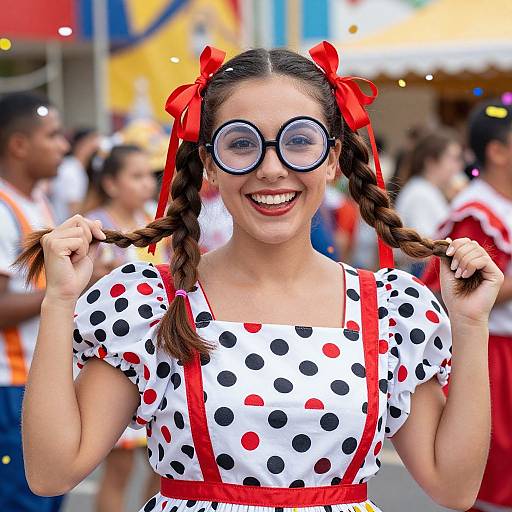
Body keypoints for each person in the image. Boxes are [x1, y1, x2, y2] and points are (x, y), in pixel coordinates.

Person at [19, 43, 503, 512]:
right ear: (209, 162)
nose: (271, 169)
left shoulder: (393, 310)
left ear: (332, 156)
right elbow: (51, 472)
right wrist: (59, 302)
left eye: (298, 141)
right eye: (241, 144)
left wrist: (470, 325)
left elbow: (453, 487)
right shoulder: (148, 302)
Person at [422, 98, 512, 512]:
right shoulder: (476, 212)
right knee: (493, 474)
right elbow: (461, 288)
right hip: (492, 353)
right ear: (497, 151)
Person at [84, 144, 166, 511]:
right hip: (113, 359)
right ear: (111, 183)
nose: (147, 183)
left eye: (148, 174)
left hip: (162, 358)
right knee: (117, 469)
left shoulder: (156, 219)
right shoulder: (94, 226)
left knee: (163, 465)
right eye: (136, 176)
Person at [0, 92, 69, 510]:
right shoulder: (2, 207)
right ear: (19, 145)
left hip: (37, 380)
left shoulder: (37, 199)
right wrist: (66, 290)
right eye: (53, 135)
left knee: (46, 494)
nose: (63, 145)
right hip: (10, 386)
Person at [394, 129, 464, 275]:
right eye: (453, 158)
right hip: (419, 276)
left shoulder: (427, 190)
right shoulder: (421, 193)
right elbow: (423, 249)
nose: (458, 166)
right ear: (431, 162)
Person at [49, 127, 99, 223]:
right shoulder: (71, 170)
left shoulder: (77, 169)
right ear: (82, 143)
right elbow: (74, 213)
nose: (97, 147)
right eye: (92, 141)